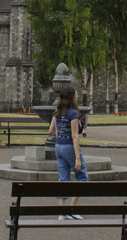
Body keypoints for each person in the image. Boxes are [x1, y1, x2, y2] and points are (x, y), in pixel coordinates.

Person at [48, 86, 87, 220]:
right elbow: (75, 136)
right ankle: (71, 208)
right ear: (71, 97)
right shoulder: (73, 113)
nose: (77, 96)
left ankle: (62, 212)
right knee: (82, 177)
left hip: (58, 146)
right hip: (69, 147)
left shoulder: (57, 112)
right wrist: (77, 158)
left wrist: (61, 135)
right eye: (76, 94)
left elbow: (51, 131)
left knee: (63, 178)